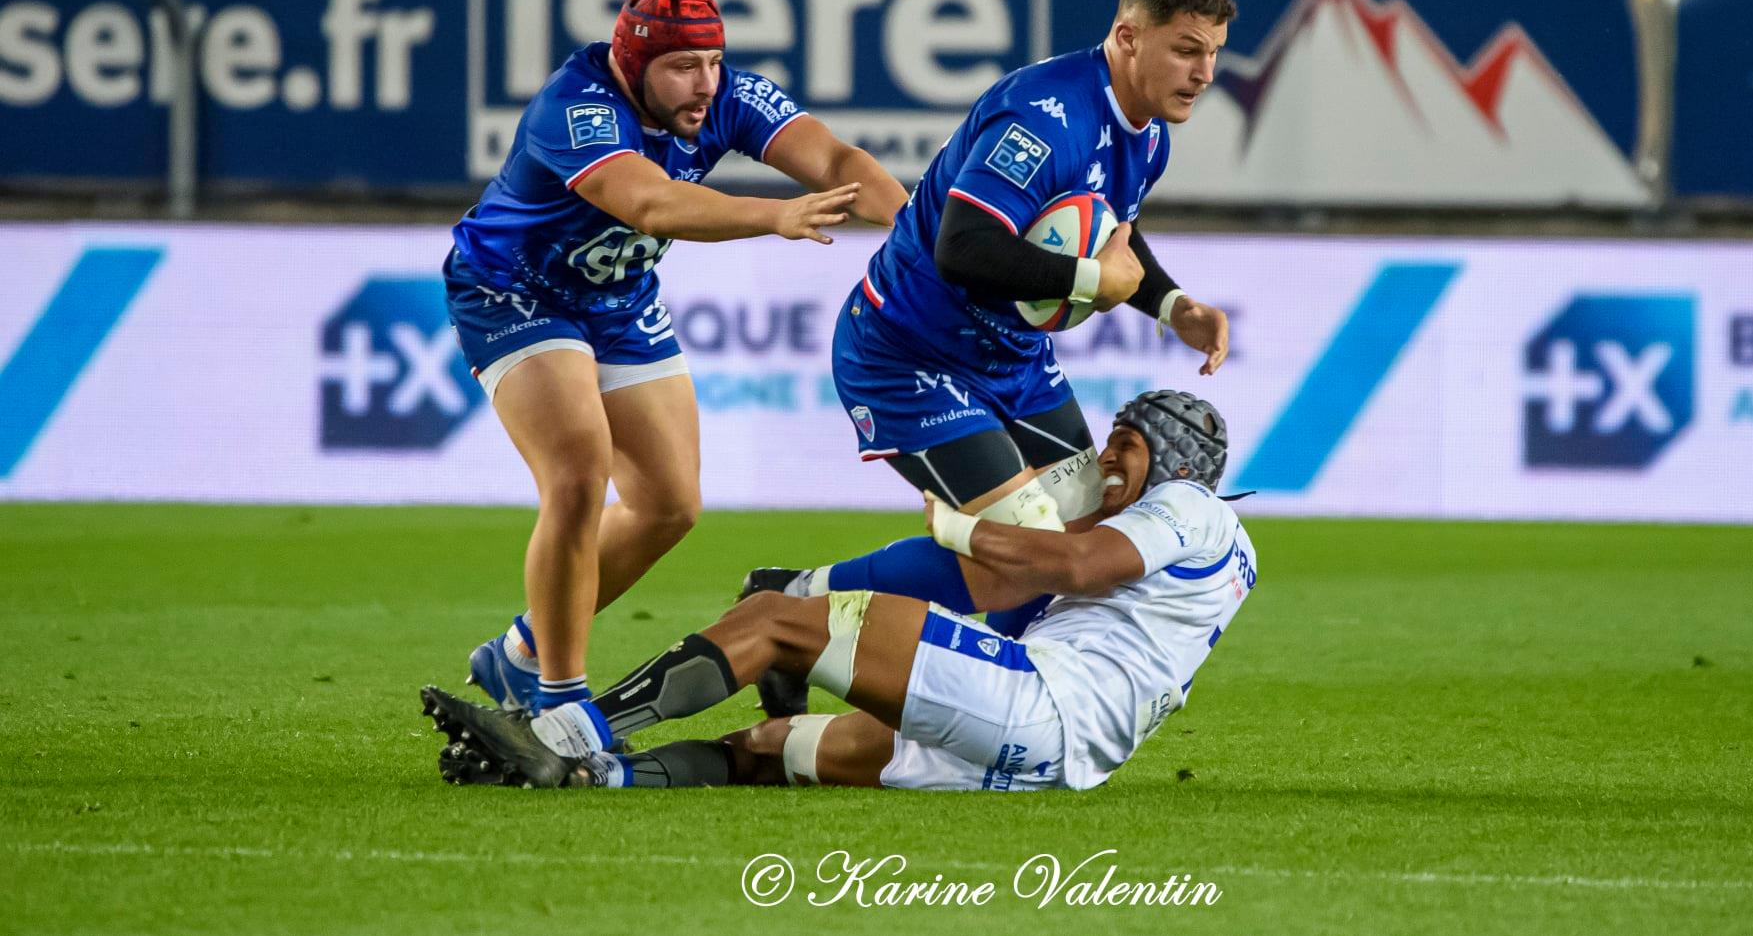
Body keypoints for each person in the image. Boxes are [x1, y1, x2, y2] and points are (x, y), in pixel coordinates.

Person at [739, 0, 1239, 698]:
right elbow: (963, 247)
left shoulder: (1149, 136)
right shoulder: (1045, 116)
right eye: (1187, 50)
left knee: (1080, 536)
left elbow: (1114, 238)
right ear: (1129, 36)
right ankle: (800, 613)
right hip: (908, 352)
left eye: (1213, 53)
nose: (1204, 73)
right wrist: (1094, 282)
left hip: (1012, 358)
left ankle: (836, 613)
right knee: (1025, 556)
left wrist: (1172, 306)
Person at [444, 0, 906, 718]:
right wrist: (774, 215)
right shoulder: (577, 106)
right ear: (634, 64)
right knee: (578, 474)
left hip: (619, 300)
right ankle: (561, 702)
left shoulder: (726, 96)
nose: (706, 84)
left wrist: (921, 237)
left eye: (714, 62)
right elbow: (650, 203)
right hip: (514, 291)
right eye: (684, 66)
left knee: (669, 506)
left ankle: (522, 651)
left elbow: (834, 159)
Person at [422, 391, 1257, 793]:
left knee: (773, 622)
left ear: (1177, 464)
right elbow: (1040, 574)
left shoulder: (1190, 506)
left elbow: (1066, 569)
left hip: (1040, 701)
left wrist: (958, 525)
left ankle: (561, 730)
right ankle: (596, 776)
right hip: (1047, 764)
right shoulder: (1217, 552)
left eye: (1124, 445)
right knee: (765, 748)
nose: (1104, 458)